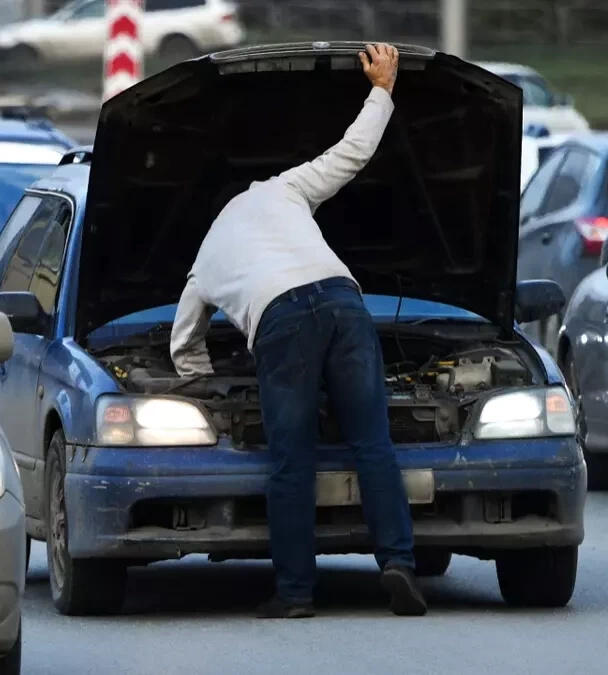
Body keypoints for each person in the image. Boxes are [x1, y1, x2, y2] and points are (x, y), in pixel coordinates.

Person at [169, 44, 426, 619]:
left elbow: (184, 342)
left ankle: (294, 594)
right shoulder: (280, 189)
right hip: (344, 299)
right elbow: (350, 154)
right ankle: (399, 565)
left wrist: (202, 382)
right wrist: (382, 88)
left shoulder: (206, 257)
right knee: (372, 443)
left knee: (293, 458)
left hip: (281, 323)